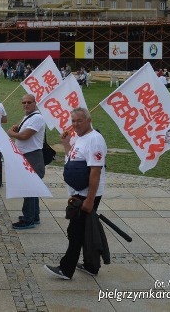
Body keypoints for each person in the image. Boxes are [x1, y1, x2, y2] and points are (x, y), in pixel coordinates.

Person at [45, 107, 107, 280]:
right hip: (78, 192)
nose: (75, 124)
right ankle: (91, 266)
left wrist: (90, 199)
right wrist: (66, 145)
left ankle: (66, 269)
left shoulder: (94, 140)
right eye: (73, 121)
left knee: (75, 231)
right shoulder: (80, 138)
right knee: (85, 230)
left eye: (79, 120)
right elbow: (73, 160)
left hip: (86, 194)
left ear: (89, 120)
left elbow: (96, 172)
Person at [7, 94, 46, 230]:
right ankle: (34, 216)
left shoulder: (37, 118)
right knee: (32, 188)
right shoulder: (28, 117)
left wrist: (11, 133)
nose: (26, 104)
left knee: (29, 188)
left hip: (32, 156)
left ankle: (28, 219)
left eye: (29, 102)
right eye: (23, 102)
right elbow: (21, 131)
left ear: (35, 103)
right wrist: (16, 129)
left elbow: (24, 136)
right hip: (27, 155)